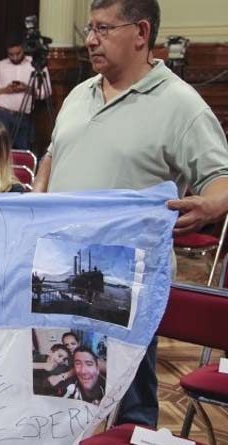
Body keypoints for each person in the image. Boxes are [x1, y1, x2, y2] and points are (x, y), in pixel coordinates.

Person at [34, 0, 228, 427]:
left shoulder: (181, 104)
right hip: (55, 270)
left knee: (130, 402)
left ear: (141, 33)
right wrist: (37, 194)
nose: (89, 40)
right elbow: (53, 154)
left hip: (126, 281)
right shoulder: (80, 93)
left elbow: (222, 176)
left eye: (103, 29)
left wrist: (212, 203)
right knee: (56, 392)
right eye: (89, 28)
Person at [0, 33, 50, 152]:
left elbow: (46, 92)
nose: (14, 57)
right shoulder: (0, 65)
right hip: (2, 114)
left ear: (23, 49)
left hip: (24, 116)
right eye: (11, 54)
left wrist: (27, 89)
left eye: (18, 54)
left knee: (24, 151)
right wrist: (5, 90)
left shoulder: (35, 65)